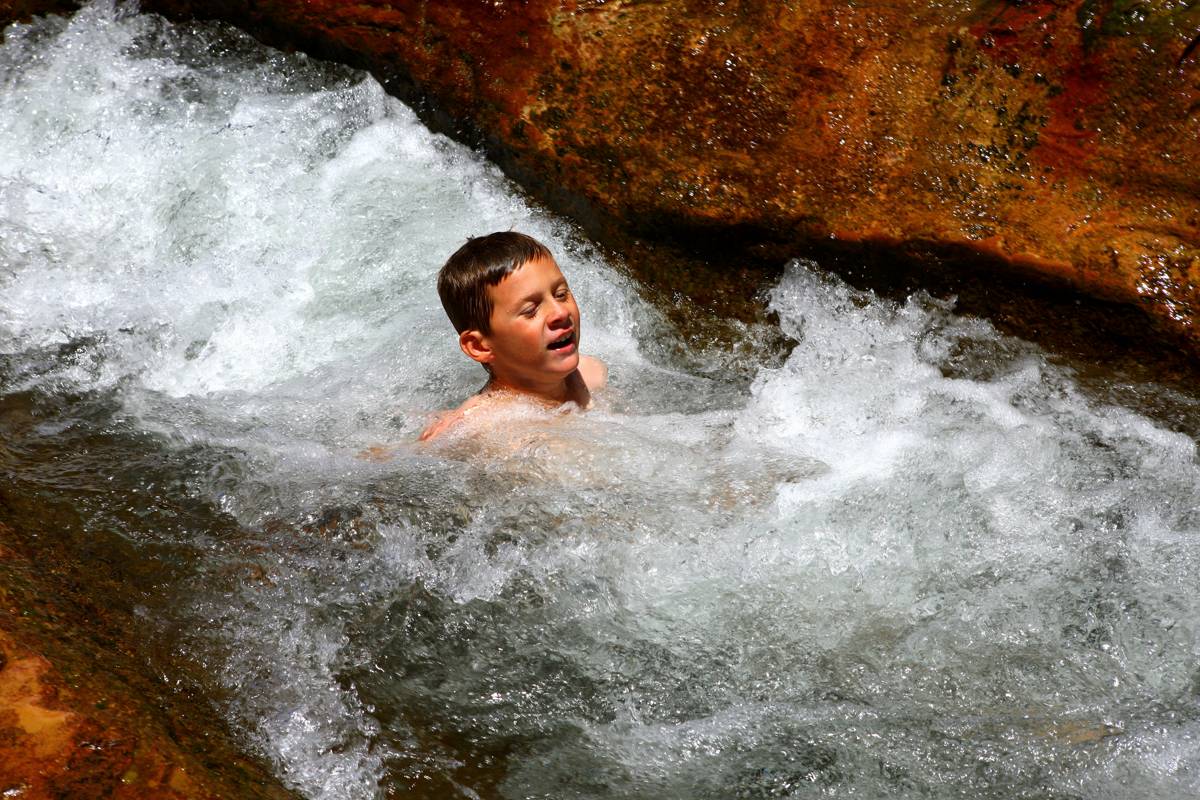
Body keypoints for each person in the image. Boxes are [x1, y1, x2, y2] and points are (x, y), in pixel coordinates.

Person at [419, 231, 607, 441]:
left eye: (561, 295)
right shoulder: (477, 429)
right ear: (479, 346)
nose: (561, 313)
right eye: (530, 310)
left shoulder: (593, 375)